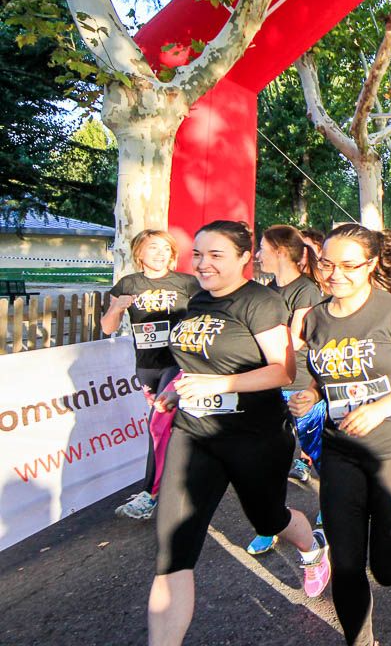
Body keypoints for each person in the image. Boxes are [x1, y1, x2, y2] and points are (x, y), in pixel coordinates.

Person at [148, 221, 329, 646]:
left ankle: (312, 549)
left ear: (245, 258)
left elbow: (282, 370)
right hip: (193, 435)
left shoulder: (260, 302)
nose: (203, 263)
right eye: (198, 254)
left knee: (268, 518)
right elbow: (196, 362)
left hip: (254, 435)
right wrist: (177, 389)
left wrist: (219, 385)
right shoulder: (195, 302)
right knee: (173, 551)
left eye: (216, 255)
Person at [289, 224, 391, 646]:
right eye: (326, 264)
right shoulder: (316, 318)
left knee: (386, 567)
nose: (334, 274)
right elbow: (322, 374)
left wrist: (382, 408)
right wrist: (310, 395)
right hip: (341, 450)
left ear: (371, 265)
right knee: (345, 563)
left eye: (348, 266)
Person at [103, 229, 201, 521]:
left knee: (158, 425)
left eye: (166, 249)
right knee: (168, 427)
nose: (161, 254)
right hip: (147, 365)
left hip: (179, 362)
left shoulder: (187, 283)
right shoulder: (128, 284)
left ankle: (152, 493)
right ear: (139, 253)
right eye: (154, 248)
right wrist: (118, 309)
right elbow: (107, 328)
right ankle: (178, 484)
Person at [245, 224, 327, 556]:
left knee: (319, 455)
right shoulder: (265, 291)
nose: (258, 255)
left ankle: (331, 506)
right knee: (266, 460)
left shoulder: (306, 291)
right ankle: (272, 521)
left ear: (280, 252)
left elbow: (297, 338)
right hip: (266, 385)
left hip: (299, 386)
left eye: (262, 248)